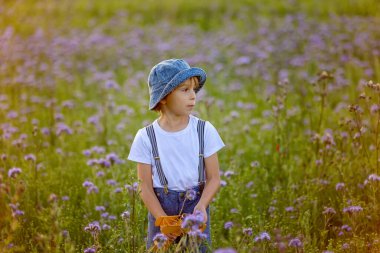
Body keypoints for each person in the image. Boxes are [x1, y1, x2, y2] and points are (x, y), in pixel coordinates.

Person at [128, 59, 225, 252]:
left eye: (194, 90)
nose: (193, 96)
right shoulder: (146, 137)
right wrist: (161, 219)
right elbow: (144, 186)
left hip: (195, 206)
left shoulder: (204, 130)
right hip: (160, 209)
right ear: (163, 97)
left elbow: (214, 179)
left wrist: (202, 207)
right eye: (184, 90)